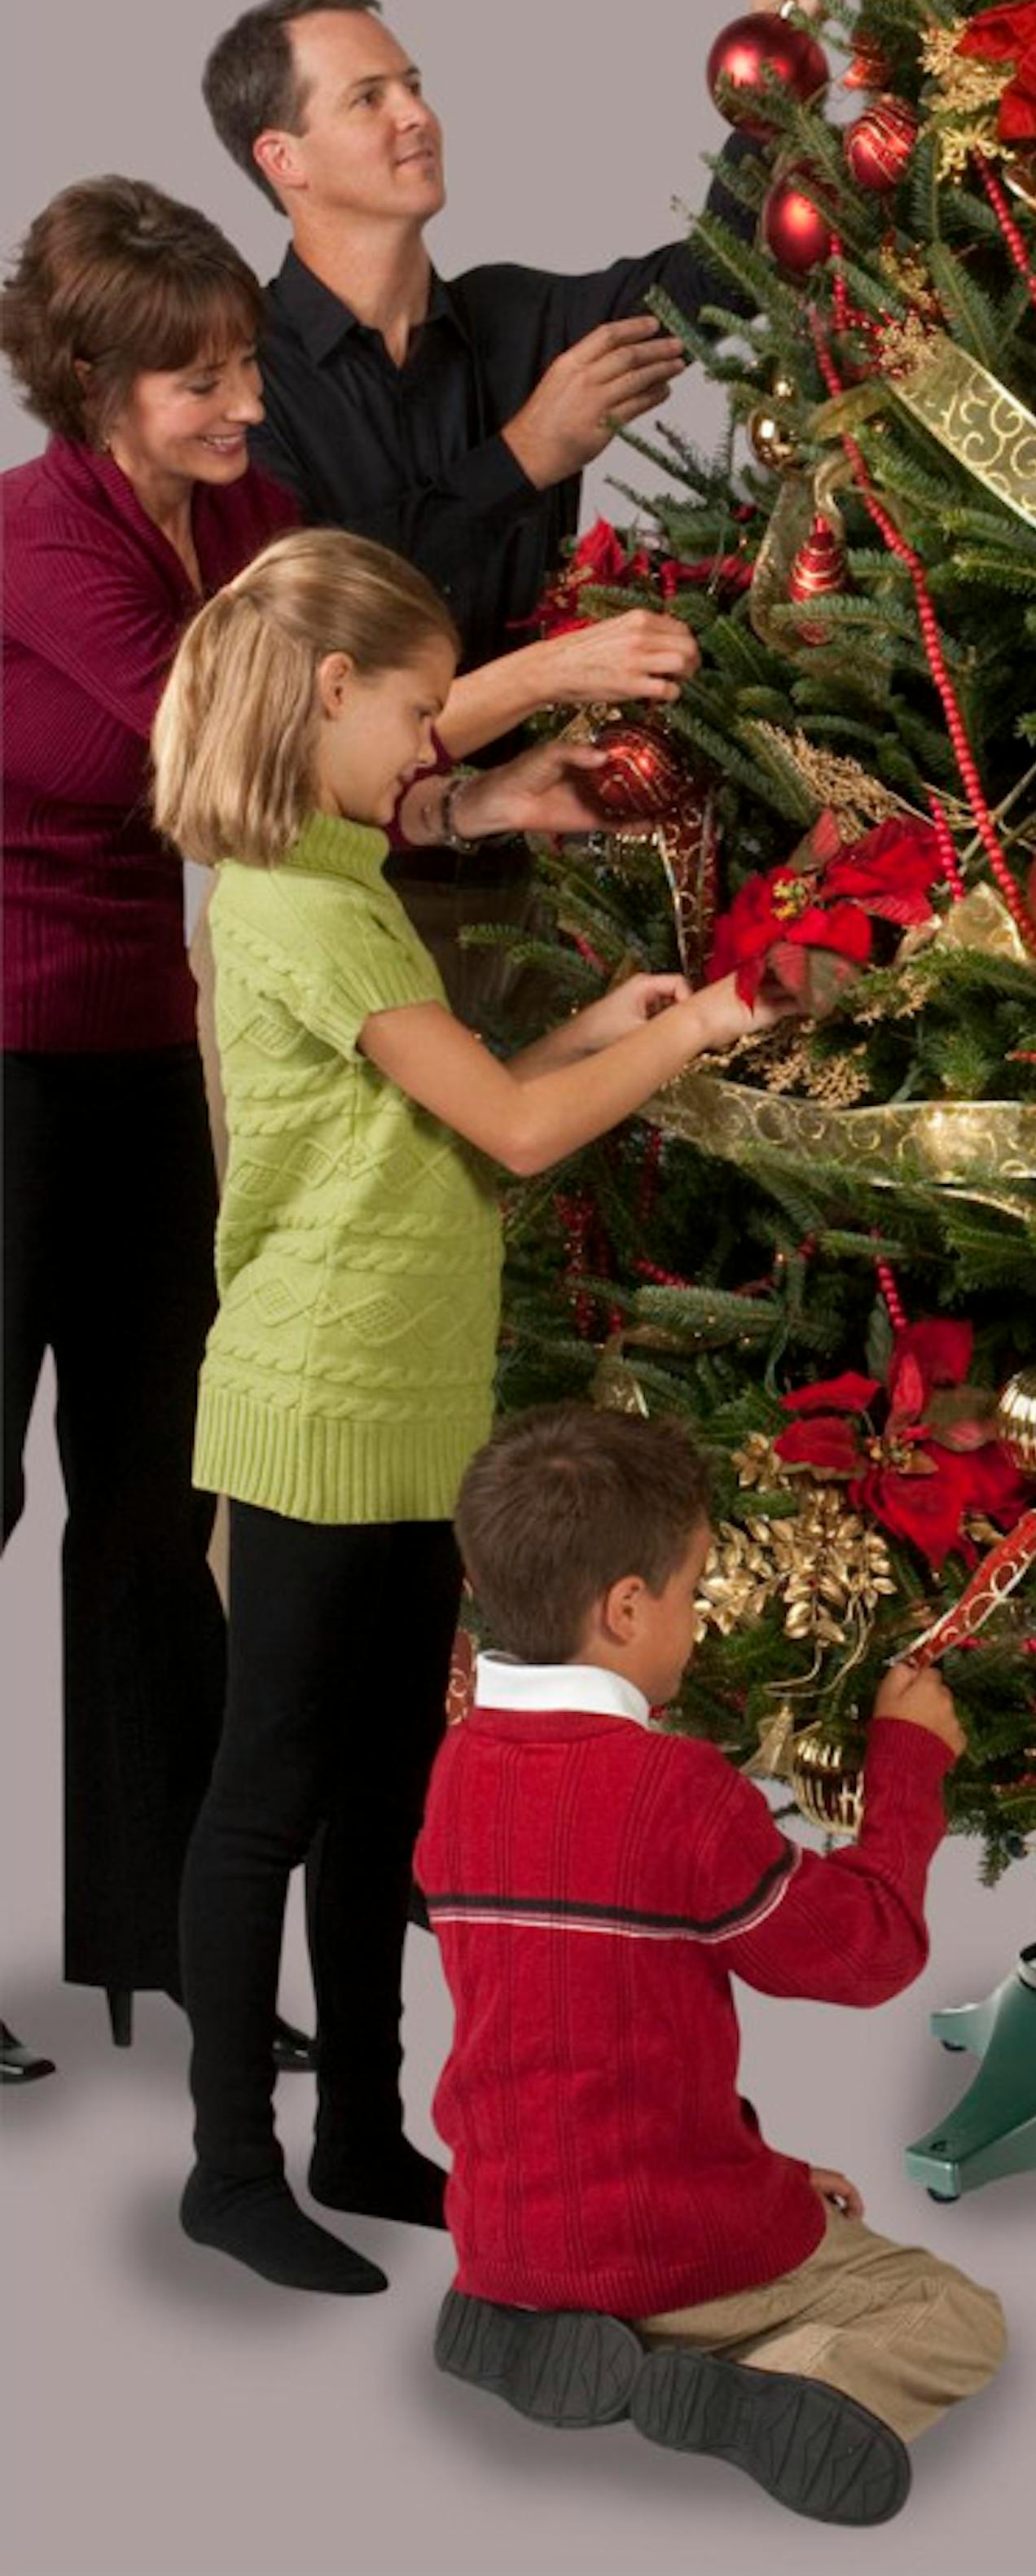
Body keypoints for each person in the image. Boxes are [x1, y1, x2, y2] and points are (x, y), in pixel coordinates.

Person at [150, 530, 782, 2299]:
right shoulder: (290, 896)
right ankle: (226, 2164)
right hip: (313, 1400)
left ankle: (361, 2126)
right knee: (268, 1789)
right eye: (420, 709)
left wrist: (601, 1019)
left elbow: (453, 1110)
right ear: (327, 691)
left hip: (414, 1399)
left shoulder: (343, 869)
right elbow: (506, 1132)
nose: (440, 741)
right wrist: (710, 1020)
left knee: (384, 1789)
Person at [198, 0, 831, 1021]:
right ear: (281, 159)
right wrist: (527, 455)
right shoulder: (242, 383)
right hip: (335, 901)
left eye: (414, 83)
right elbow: (326, 626)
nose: (417, 115)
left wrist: (769, 48)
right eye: (369, 98)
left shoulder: (512, 318)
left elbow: (719, 277)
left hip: (536, 890)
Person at [417, 1404, 1007, 2531]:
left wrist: (772, 2170)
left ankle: (525, 2313)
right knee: (954, 2309)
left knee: (738, 2200)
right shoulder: (673, 1791)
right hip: (669, 2250)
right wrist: (909, 1758)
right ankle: (785, 2378)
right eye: (691, 1593)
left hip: (501, 2225)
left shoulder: (458, 1767)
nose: (700, 1621)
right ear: (625, 1606)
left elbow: (574, 2041)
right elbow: (866, 1947)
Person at [0, 178, 309, 2087]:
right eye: (200, 378)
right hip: (1, 1052)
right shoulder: (43, 539)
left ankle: (162, 1942)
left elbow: (347, 691)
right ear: (101, 384)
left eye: (250, 362)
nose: (243, 405)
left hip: (138, 1057)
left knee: (149, 1507)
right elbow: (229, 752)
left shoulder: (254, 518)